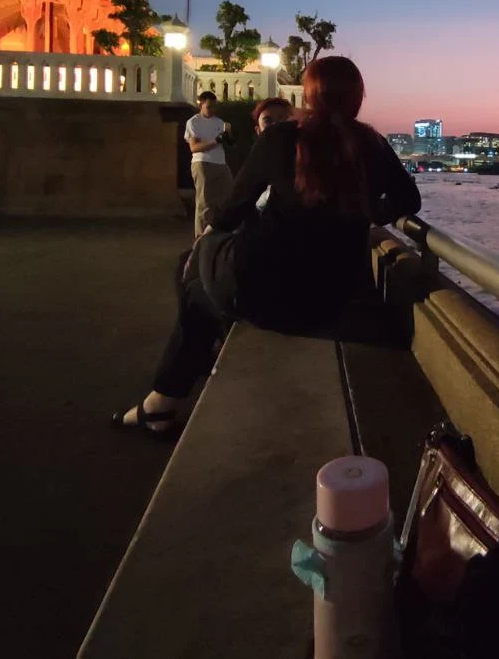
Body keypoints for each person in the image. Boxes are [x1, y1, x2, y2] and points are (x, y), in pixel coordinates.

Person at [113, 57, 421, 437]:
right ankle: (162, 400)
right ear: (357, 97)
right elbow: (410, 200)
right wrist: (368, 211)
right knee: (197, 279)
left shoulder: (282, 137)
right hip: (327, 301)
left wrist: (207, 239)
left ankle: (162, 401)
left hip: (263, 290)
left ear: (309, 95)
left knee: (191, 271)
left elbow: (231, 210)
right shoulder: (373, 145)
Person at [185, 91, 233, 237]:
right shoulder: (194, 122)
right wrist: (216, 141)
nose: (212, 110)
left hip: (221, 163)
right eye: (209, 107)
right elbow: (194, 147)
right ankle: (201, 238)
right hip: (202, 163)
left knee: (229, 197)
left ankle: (219, 232)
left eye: (214, 106)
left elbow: (230, 144)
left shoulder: (219, 122)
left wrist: (229, 135)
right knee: (204, 202)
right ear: (201, 104)